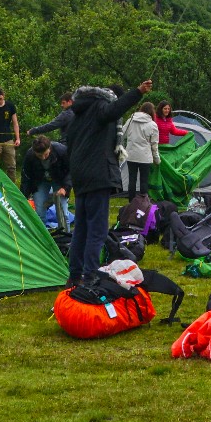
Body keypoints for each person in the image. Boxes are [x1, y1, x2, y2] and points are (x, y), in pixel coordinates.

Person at [61, 79, 153, 285]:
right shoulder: (100, 107)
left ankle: (74, 276)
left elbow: (70, 147)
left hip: (81, 177)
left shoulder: (77, 115)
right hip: (97, 175)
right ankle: (90, 275)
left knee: (81, 229)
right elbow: (114, 110)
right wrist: (137, 92)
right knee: (97, 230)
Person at [22, 137, 70, 230]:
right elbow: (26, 176)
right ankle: (43, 240)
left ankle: (67, 238)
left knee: (63, 212)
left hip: (59, 180)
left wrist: (65, 187)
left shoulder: (61, 150)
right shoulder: (29, 155)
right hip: (40, 181)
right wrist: (23, 196)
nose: (43, 158)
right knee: (39, 211)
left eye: (46, 154)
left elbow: (71, 170)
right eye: (39, 156)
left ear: (50, 148)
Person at [122, 100, 158, 199]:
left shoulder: (131, 120)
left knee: (132, 180)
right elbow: (154, 145)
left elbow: (122, 134)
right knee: (144, 181)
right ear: (152, 111)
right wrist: (157, 159)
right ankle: (143, 203)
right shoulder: (152, 125)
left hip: (131, 155)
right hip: (145, 157)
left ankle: (131, 202)